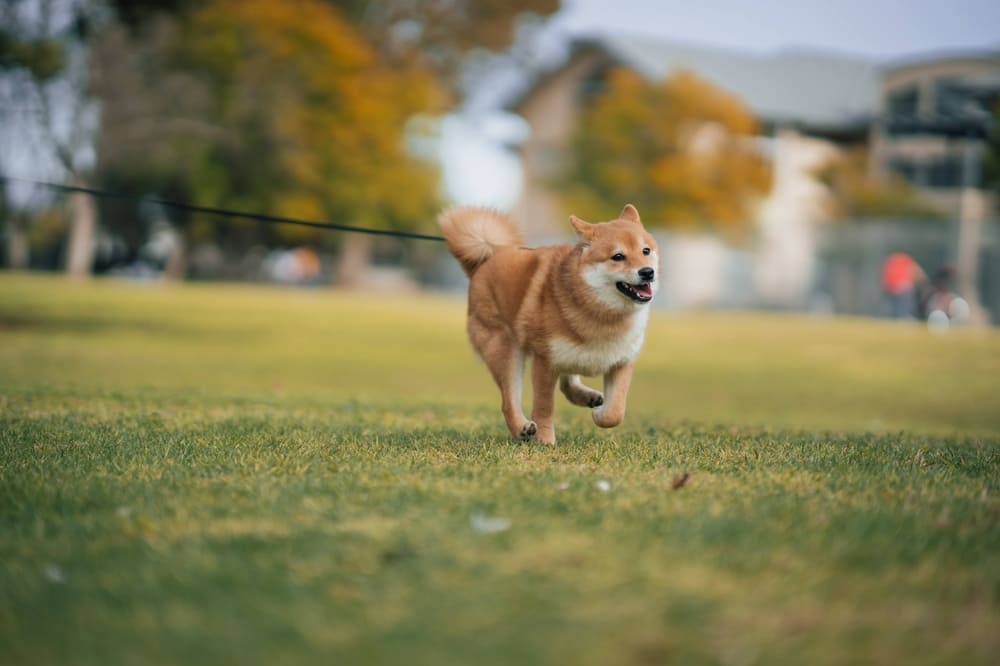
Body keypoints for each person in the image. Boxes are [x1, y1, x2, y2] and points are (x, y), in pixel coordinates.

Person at [881, 252, 925, 319]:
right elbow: (919, 274)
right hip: (902, 289)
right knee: (904, 310)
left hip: (892, 289)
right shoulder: (907, 262)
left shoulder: (892, 262)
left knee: (893, 310)